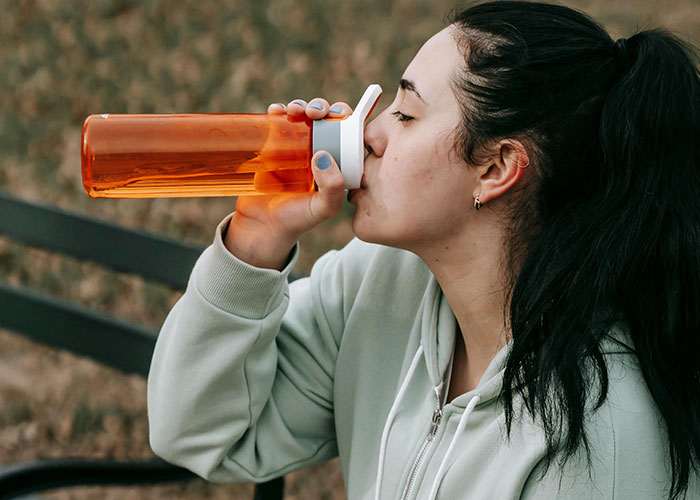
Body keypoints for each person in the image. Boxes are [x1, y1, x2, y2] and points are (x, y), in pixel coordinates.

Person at [147, 1, 700, 499]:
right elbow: (196, 433)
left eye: (406, 115)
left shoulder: (595, 433)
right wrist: (256, 240)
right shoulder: (378, 285)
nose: (368, 134)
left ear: (496, 168)